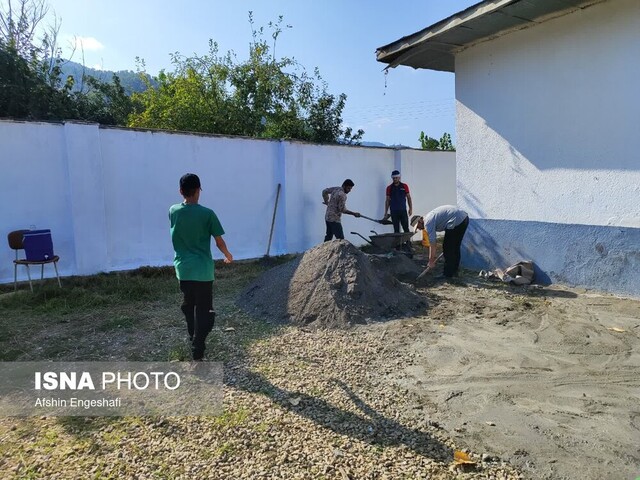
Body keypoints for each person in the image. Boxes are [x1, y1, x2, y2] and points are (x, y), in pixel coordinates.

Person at [169, 173, 233, 360]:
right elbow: (219, 241)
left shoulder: (173, 211)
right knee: (205, 311)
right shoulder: (207, 214)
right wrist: (228, 255)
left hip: (183, 269)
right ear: (199, 190)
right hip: (203, 271)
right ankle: (198, 348)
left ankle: (193, 337)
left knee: (190, 306)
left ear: (181, 191)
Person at [411, 205, 469, 278]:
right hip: (464, 218)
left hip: (456, 220)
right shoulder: (430, 217)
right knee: (455, 247)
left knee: (447, 248)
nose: (419, 229)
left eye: (418, 226)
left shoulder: (428, 222)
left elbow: (433, 244)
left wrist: (431, 261)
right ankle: (454, 271)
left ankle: (447, 274)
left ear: (420, 221)